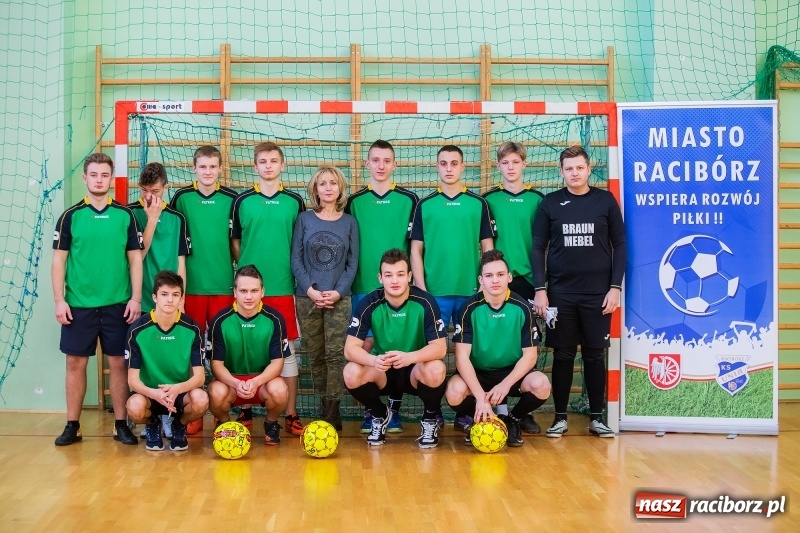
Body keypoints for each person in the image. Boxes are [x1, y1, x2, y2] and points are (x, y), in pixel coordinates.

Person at [532, 145, 626, 438]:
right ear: (561, 172)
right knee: (562, 355)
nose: (574, 173)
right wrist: (540, 289)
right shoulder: (549, 204)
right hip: (560, 295)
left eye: (579, 168)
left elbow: (620, 245)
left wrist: (615, 287)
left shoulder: (605, 201)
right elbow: (538, 248)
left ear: (588, 169)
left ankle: (597, 418)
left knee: (595, 355)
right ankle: (560, 418)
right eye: (569, 168)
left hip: (598, 295)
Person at [52, 152, 143, 446]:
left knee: (118, 363)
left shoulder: (124, 215)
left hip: (118, 304)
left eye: (105, 175)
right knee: (75, 364)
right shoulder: (70, 216)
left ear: (111, 178)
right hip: (78, 305)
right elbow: (58, 262)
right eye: (94, 175)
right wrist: (59, 300)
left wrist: (136, 298)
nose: (99, 180)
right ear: (85, 178)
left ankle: (121, 425)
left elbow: (136, 260)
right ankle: (72, 425)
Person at [410, 144, 496, 433]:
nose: (449, 168)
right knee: (432, 355)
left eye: (454, 163)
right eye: (443, 163)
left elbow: (488, 248)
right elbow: (415, 250)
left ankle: (464, 411)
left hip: (470, 293)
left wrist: (484, 285)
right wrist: (421, 289)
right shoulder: (425, 204)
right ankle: (431, 412)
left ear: (463, 167)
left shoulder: (478, 204)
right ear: (437, 167)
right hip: (435, 294)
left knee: (468, 353)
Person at [230, 142, 305, 437]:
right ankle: (245, 409)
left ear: (282, 165)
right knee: (247, 347)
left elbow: (300, 243)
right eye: (263, 161)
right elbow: (234, 242)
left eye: (274, 161)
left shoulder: (294, 201)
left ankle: (290, 413)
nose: (269, 166)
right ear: (256, 166)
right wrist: (247, 276)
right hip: (249, 291)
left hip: (285, 289)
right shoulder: (242, 201)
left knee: (287, 354)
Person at [345, 140, 418, 433]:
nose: (381, 166)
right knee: (365, 347)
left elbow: (415, 247)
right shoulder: (355, 201)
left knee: (396, 343)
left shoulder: (409, 199)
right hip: (364, 286)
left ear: (394, 164)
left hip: (398, 287)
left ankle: (396, 410)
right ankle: (373, 411)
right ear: (367, 164)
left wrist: (416, 285)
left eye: (386, 160)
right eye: (375, 160)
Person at [445, 250, 551, 447]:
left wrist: (505, 385)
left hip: (511, 373)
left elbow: (530, 357)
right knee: (453, 390)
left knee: (542, 385)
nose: (495, 280)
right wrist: (480, 398)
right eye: (489, 275)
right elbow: (462, 358)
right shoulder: (468, 309)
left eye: (500, 275)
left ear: (509, 277)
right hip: (479, 374)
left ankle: (511, 420)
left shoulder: (522, 308)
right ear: (481, 280)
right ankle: (483, 417)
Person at [343, 249, 447, 448]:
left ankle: (429, 419)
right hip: (383, 369)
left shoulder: (425, 302)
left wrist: (410, 357)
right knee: (351, 371)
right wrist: (374, 360)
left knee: (436, 368)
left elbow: (440, 348)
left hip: (414, 370)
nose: (395, 280)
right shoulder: (369, 303)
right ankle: (379, 414)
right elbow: (350, 349)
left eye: (400, 274)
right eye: (388, 275)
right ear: (380, 278)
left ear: (409, 276)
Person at [169, 145, 237, 435]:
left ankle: (226, 409)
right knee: (191, 350)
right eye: (203, 167)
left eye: (213, 167)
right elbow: (172, 241)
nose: (208, 172)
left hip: (223, 287)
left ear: (221, 168)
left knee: (225, 349)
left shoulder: (233, 199)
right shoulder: (181, 198)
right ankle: (193, 409)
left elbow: (237, 244)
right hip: (192, 289)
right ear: (193, 168)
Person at [482, 141, 545, 434]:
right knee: (499, 337)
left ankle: (521, 412)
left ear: (524, 164)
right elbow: (486, 243)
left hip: (530, 280)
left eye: (515, 162)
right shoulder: (489, 200)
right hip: (499, 278)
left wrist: (543, 286)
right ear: (499, 166)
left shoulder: (538, 200)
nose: (511, 167)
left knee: (526, 343)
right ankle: (501, 409)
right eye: (505, 162)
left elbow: (544, 245)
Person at [291, 166, 359, 430]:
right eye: (323, 184)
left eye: (333, 183)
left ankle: (332, 412)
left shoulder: (349, 222)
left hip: (339, 300)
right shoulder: (305, 220)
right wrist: (310, 290)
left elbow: (352, 264)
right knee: (316, 355)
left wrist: (338, 292)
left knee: (336, 355)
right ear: (315, 189)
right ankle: (323, 402)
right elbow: (295, 259)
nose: (328, 188)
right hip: (307, 298)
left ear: (340, 188)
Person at [125, 270, 208, 451]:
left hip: (179, 392)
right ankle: (152, 423)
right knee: (134, 406)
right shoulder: (137, 330)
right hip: (150, 393)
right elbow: (132, 380)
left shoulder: (193, 329)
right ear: (154, 297)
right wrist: (155, 393)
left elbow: (200, 377)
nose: (170, 300)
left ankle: (179, 425)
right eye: (164, 294)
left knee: (201, 400)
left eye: (175, 295)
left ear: (181, 298)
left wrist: (177, 388)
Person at [207, 265, 290, 445]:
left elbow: (278, 362)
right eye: (243, 290)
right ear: (235, 292)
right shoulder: (219, 321)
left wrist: (256, 381)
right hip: (231, 382)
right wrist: (236, 383)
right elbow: (216, 365)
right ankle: (224, 425)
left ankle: (271, 423)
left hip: (262, 383)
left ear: (262, 292)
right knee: (215, 392)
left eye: (254, 290)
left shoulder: (275, 319)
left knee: (280, 389)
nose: (249, 296)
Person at [127, 162, 190, 314]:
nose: (148, 196)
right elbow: (136, 257)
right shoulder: (129, 214)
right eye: (144, 190)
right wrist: (153, 220)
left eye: (155, 191)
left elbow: (180, 263)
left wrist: (181, 301)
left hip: (169, 300)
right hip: (139, 300)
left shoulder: (177, 217)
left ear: (165, 188)